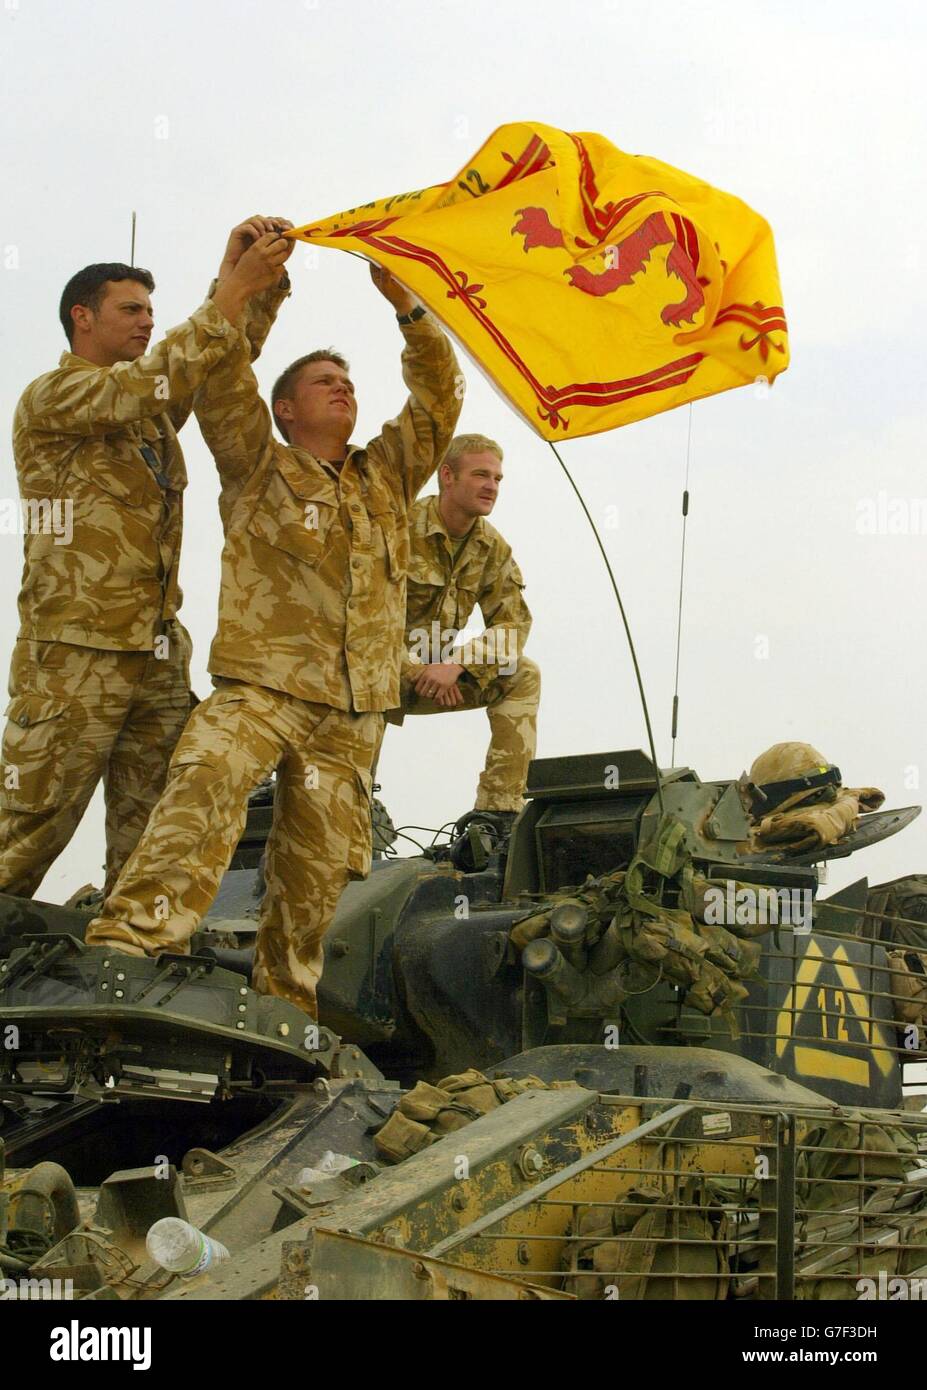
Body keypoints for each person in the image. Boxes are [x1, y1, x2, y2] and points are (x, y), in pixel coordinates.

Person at [85, 253, 463, 1019]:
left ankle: (286, 1012)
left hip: (349, 715)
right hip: (261, 689)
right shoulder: (258, 460)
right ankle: (129, 948)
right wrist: (251, 287)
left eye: (348, 382)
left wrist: (409, 310)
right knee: (204, 780)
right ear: (285, 409)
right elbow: (221, 376)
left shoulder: (388, 475)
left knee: (316, 873)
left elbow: (437, 399)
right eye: (323, 381)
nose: (342, 389)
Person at [0, 223, 291, 900]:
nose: (146, 322)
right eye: (130, 310)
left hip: (156, 656)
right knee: (30, 827)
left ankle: (121, 973)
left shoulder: (149, 416)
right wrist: (234, 286)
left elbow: (211, 360)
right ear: (83, 317)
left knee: (153, 837)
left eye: (151, 313)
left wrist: (242, 281)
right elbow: (155, 378)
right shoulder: (55, 397)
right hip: (74, 657)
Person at [384, 433, 540, 825]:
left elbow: (513, 622)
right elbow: (365, 620)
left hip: (441, 675)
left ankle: (497, 813)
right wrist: (418, 670)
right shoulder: (396, 528)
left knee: (522, 674)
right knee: (365, 683)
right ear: (447, 476)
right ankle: (351, 811)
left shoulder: (492, 548)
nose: (491, 486)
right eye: (481, 475)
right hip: (371, 671)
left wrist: (459, 664)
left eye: (498, 479)